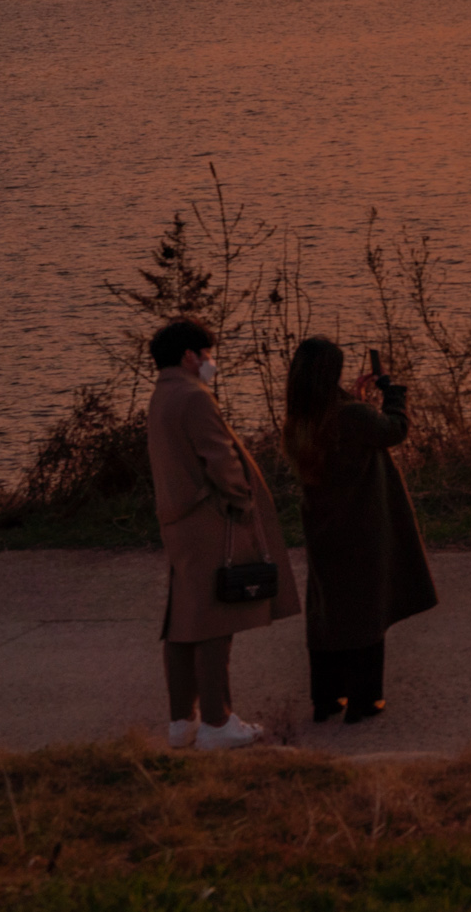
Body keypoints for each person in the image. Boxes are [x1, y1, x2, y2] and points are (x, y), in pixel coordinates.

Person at [145, 317, 298, 750]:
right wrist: (243, 502)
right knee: (215, 621)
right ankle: (217, 721)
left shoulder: (162, 394)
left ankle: (182, 720)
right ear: (189, 355)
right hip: (208, 520)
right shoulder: (194, 397)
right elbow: (220, 458)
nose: (210, 361)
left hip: (178, 520)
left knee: (183, 620)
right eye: (207, 353)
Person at [282, 334, 438, 725]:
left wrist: (357, 399)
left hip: (322, 526)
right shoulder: (351, 416)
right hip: (361, 527)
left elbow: (348, 436)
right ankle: (364, 699)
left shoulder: (301, 418)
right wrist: (392, 393)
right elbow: (394, 429)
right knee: (366, 609)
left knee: (327, 609)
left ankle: (326, 697)